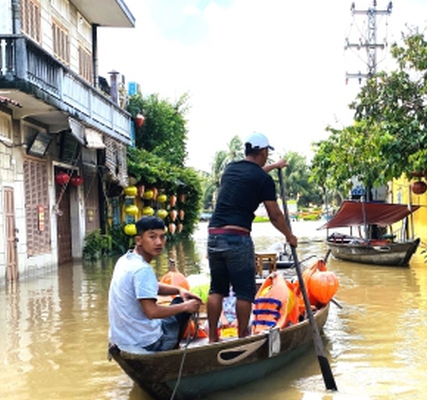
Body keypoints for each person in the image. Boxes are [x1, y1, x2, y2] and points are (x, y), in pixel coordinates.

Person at [207, 132, 298, 342]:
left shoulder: (230, 169)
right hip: (237, 237)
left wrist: (274, 167)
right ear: (264, 152)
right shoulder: (263, 180)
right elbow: (275, 215)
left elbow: (253, 175)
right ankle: (242, 337)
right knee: (245, 291)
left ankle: (213, 338)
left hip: (214, 235)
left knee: (217, 289)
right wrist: (289, 236)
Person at [108, 216, 202, 352]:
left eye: (162, 237)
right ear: (139, 240)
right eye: (152, 237)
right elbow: (152, 312)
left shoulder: (125, 260)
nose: (159, 242)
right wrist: (185, 306)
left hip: (123, 338)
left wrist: (178, 289)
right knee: (183, 303)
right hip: (148, 342)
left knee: (181, 298)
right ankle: (172, 350)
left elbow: (149, 286)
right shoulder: (142, 269)